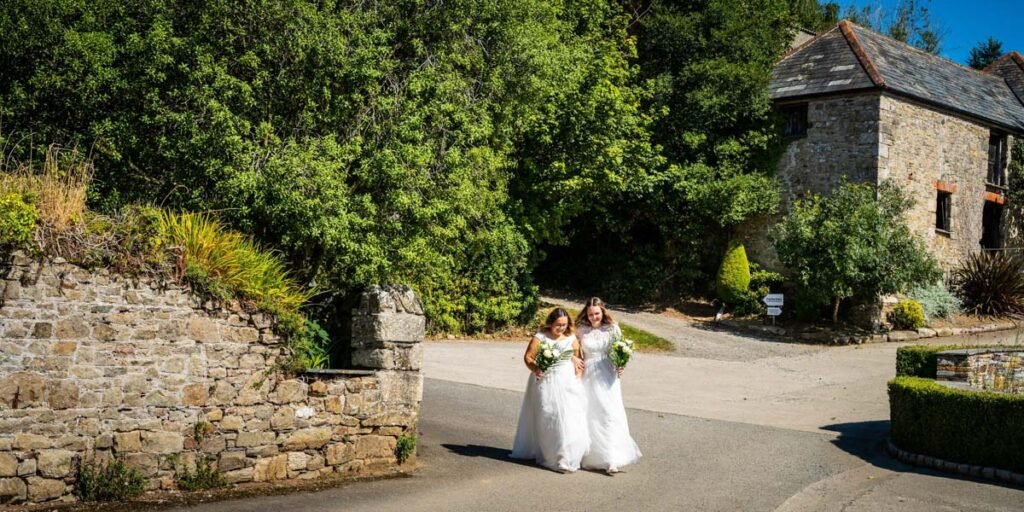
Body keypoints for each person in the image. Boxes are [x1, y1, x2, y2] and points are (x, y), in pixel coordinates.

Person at [509, 308, 590, 472]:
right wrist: (536, 368)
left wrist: (577, 376)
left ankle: (563, 458)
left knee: (566, 420)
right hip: (545, 382)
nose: (561, 328)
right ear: (551, 323)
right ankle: (549, 454)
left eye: (564, 324)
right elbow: (528, 357)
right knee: (548, 417)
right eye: (558, 325)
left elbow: (578, 358)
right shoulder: (540, 337)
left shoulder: (571, 338)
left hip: (566, 383)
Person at [575, 297, 642, 474]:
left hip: (607, 374)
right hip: (588, 374)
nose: (593, 317)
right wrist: (574, 358)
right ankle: (590, 455)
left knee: (609, 412)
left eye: (596, 313)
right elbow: (572, 349)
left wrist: (621, 365)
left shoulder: (612, 329)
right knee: (590, 413)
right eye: (590, 314)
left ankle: (612, 458)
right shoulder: (581, 330)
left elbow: (620, 350)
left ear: (603, 311)